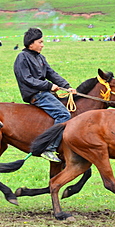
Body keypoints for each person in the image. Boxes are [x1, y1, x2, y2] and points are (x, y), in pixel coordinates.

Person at [14, 27, 77, 162]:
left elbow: (51, 73)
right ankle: (49, 147)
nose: (43, 45)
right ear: (31, 44)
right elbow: (27, 79)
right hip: (36, 94)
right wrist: (49, 86)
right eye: (40, 42)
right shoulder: (22, 57)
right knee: (63, 114)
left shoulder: (40, 57)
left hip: (44, 92)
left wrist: (67, 86)